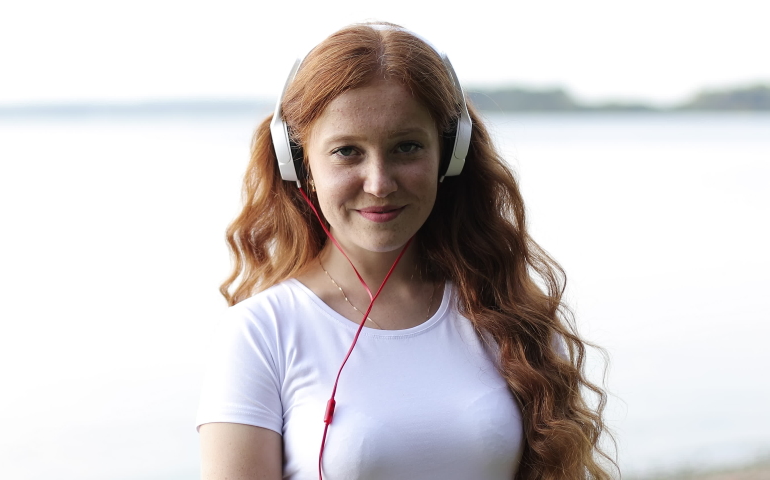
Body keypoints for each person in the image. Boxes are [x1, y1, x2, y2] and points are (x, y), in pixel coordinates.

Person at [196, 22, 613, 480]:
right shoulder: (260, 332)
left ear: (449, 155)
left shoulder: (508, 309)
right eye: (347, 151)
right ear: (300, 164)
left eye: (407, 147)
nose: (379, 183)